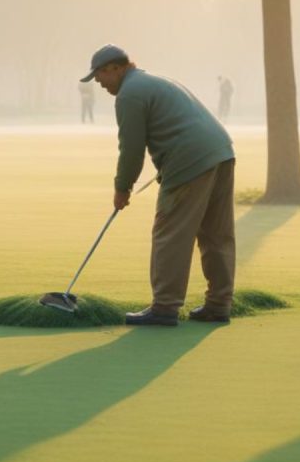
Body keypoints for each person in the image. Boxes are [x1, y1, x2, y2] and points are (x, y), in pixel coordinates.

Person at [82, 44, 236, 326]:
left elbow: (131, 149)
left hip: (190, 160)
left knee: (170, 232)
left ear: (116, 68)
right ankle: (219, 304)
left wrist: (122, 188)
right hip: (221, 152)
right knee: (216, 233)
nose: (99, 83)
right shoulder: (152, 80)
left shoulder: (129, 94)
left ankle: (164, 307)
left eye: (100, 75)